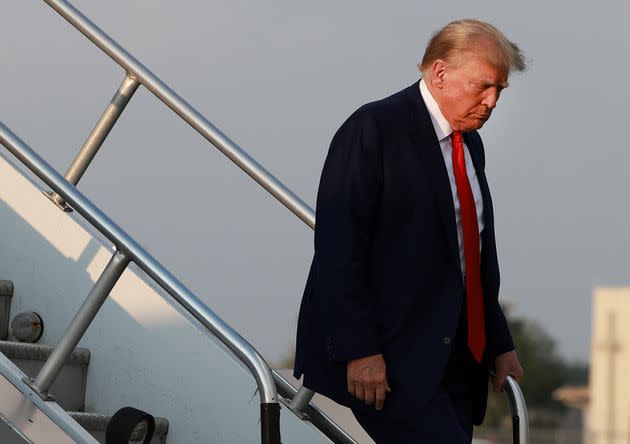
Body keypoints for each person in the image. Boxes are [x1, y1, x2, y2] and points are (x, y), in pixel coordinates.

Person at [293, 19, 526, 443]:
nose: (491, 102)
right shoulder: (373, 129)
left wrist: (498, 340)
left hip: (454, 358)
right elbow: (338, 249)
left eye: (500, 91)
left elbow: (471, 254)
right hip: (388, 360)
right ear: (440, 73)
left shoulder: (469, 143)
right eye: (483, 86)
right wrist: (358, 350)